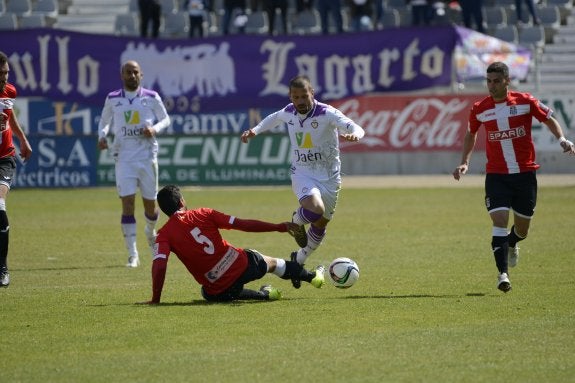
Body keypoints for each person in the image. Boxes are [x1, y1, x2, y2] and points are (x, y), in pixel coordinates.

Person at [452, 61, 575, 293]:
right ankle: (502, 274)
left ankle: (512, 242)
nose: (491, 85)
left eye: (497, 81)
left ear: (507, 80)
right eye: (488, 81)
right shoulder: (480, 108)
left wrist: (562, 140)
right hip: (497, 176)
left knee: (522, 229)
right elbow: (471, 134)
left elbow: (549, 118)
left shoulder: (525, 102)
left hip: (525, 175)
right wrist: (464, 162)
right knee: (499, 220)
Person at [240, 75, 365, 288]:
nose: (300, 101)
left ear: (312, 94)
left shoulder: (327, 113)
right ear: (290, 96)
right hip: (303, 173)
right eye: (295, 96)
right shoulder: (289, 112)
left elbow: (355, 127)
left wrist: (355, 135)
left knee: (320, 223)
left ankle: (298, 260)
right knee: (315, 209)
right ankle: (296, 221)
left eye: (304, 96)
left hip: (330, 178)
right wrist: (255, 130)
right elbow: (274, 118)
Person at [141, 185, 325, 304]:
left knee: (208, 293)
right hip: (242, 265)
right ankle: (312, 277)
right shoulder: (205, 213)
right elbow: (243, 225)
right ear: (182, 201)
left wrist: (155, 299)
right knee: (273, 263)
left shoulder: (163, 235)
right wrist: (278, 227)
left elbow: (159, 265)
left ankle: (266, 294)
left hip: (218, 287)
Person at [97, 60, 170, 268]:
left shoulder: (151, 97)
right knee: (127, 204)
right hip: (124, 158)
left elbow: (166, 119)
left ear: (141, 75)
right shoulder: (112, 99)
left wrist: (154, 129)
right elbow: (104, 122)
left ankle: (150, 230)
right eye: (128, 72)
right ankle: (133, 254)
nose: (132, 76)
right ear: (122, 75)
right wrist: (102, 136)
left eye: (135, 72)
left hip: (147, 157)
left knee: (151, 207)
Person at [0, 51, 33, 287]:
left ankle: (2, 268)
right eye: (0, 74)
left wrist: (23, 139)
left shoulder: (9, 91)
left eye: (6, 73)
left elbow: (10, 118)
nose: (4, 78)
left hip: (4, 158)